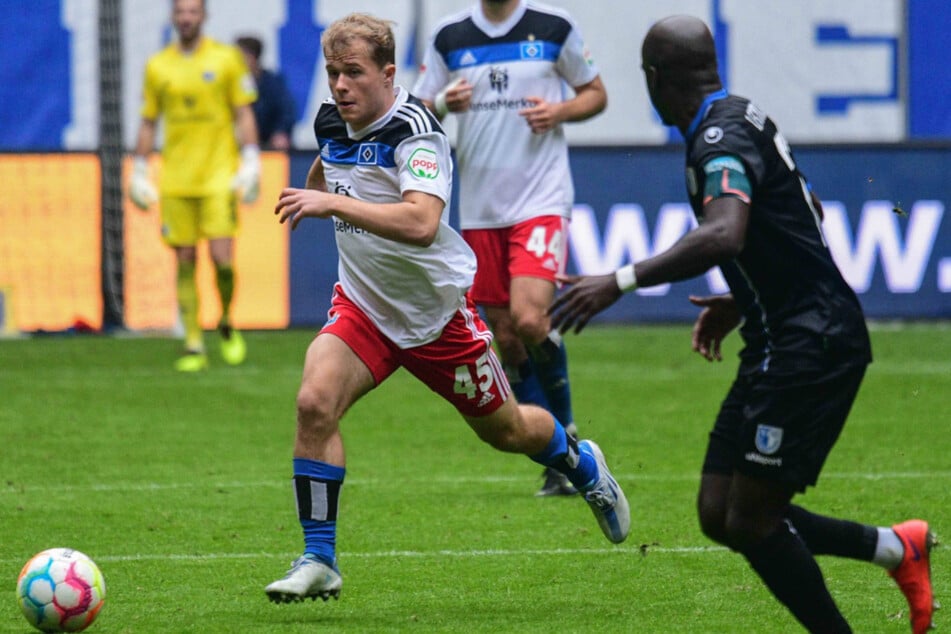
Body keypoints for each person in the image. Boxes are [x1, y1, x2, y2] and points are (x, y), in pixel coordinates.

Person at [549, 15, 935, 634]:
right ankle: (896, 548)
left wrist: (617, 281)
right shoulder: (741, 113)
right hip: (778, 335)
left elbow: (725, 230)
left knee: (752, 518)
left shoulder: (716, 139)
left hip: (812, 343)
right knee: (719, 509)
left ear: (655, 79)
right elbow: (803, 208)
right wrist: (741, 300)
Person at [263, 12, 629, 604]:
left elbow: (421, 220)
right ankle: (319, 557)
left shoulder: (418, 129)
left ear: (387, 73)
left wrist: (329, 205)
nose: (340, 85)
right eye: (333, 72)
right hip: (363, 306)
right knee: (314, 402)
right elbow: (330, 168)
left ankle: (580, 462)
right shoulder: (333, 118)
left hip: (437, 318)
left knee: (508, 431)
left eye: (353, 72)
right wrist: (319, 190)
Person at [412, 0, 608, 497]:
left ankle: (568, 437)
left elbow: (595, 94)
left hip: (540, 199)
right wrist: (441, 105)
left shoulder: (554, 26)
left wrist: (560, 109)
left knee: (529, 319)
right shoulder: (448, 36)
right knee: (508, 338)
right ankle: (557, 455)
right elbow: (415, 109)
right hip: (479, 207)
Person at [128, 0, 260, 372]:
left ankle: (226, 319)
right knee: (184, 261)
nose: (186, 18)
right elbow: (149, 120)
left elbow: (243, 111)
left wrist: (251, 160)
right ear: (173, 17)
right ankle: (192, 342)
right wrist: (139, 168)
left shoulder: (226, 59)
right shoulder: (158, 66)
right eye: (181, 12)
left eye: (193, 12)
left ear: (203, 16)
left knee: (223, 262)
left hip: (218, 175)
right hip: (176, 179)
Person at [235, 35, 297, 151]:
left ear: (252, 57)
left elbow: (287, 112)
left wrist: (281, 132)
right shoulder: (232, 83)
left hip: (269, 143)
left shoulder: (273, 83)